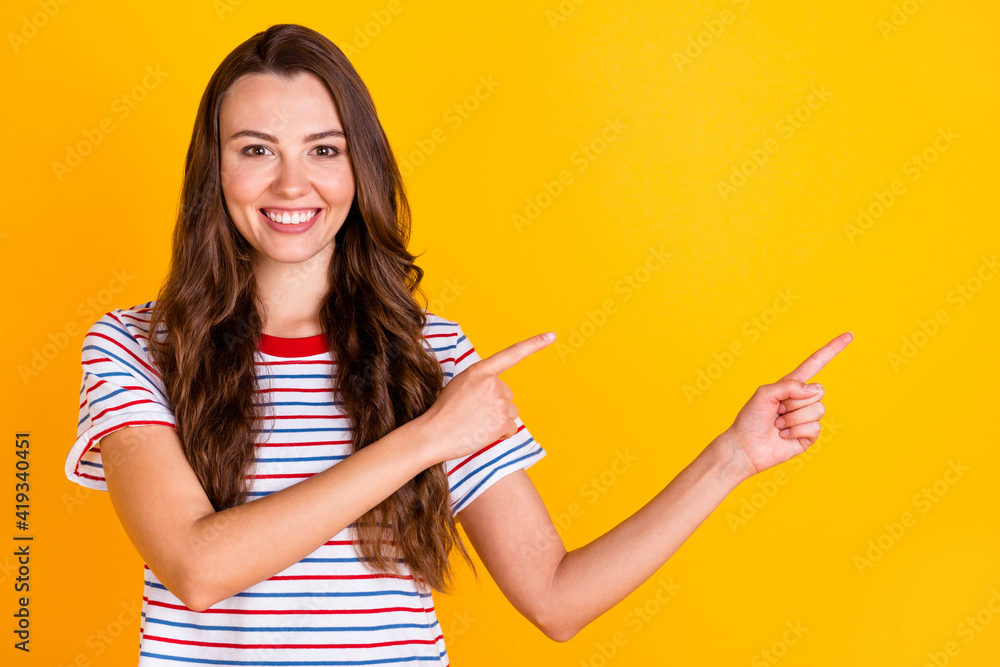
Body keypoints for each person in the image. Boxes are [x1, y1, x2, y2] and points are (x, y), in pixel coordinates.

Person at [64, 23, 853, 667]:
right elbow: (199, 570)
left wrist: (732, 457)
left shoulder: (431, 354)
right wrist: (430, 436)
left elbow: (555, 597)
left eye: (324, 149)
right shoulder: (136, 348)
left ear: (359, 168)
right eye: (257, 149)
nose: (292, 183)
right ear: (216, 170)